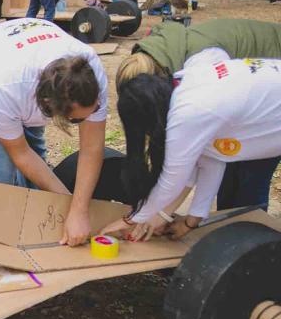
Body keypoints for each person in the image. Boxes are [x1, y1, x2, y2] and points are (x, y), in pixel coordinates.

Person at [0, 18, 109, 246]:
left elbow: (92, 148)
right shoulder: (4, 86)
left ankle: (36, 226)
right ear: (51, 106)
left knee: (36, 151)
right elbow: (19, 153)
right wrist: (71, 205)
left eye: (94, 110)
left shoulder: (91, 72)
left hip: (27, 63)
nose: (86, 120)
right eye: (78, 119)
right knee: (1, 168)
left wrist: (76, 209)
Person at [100, 58, 281, 242]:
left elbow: (172, 181)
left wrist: (130, 220)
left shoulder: (188, 114)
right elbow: (211, 160)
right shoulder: (185, 82)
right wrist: (192, 220)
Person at [116, 18, 281, 212]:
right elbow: (213, 155)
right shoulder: (166, 59)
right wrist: (189, 217)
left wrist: (149, 215)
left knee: (250, 176)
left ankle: (254, 231)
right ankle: (232, 224)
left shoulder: (202, 71)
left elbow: (182, 170)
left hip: (269, 98)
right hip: (255, 95)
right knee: (229, 163)